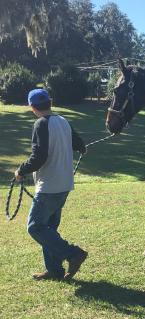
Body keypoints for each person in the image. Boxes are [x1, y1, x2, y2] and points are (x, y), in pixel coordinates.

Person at [15, 88, 88, 281]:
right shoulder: (63, 121)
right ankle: (54, 270)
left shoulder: (40, 124)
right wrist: (80, 147)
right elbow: (79, 144)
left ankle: (73, 253)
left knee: (35, 227)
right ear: (50, 102)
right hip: (64, 185)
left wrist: (21, 170)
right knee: (49, 229)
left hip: (49, 186)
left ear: (32, 107)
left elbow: (39, 157)